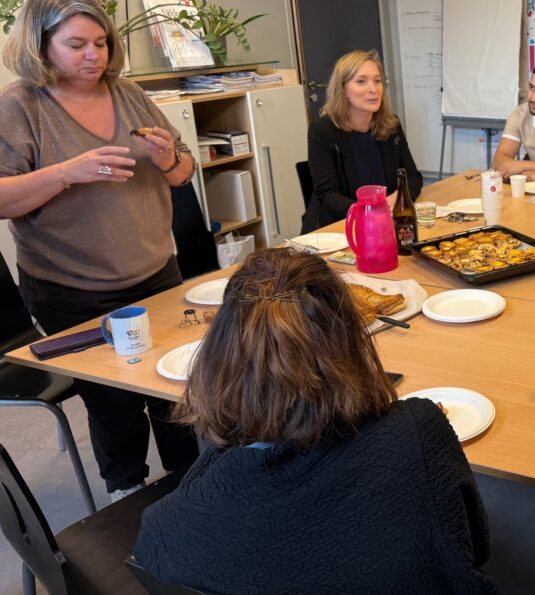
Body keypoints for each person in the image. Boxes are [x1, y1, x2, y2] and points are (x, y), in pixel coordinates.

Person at [134, 248, 500, 594]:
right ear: (351, 345)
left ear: (218, 355)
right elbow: (475, 549)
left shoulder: (161, 534)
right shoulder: (418, 433)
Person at [0, 0, 199, 500]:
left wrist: (168, 160)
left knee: (175, 387)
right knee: (113, 403)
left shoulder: (128, 92)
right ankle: (126, 494)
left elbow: (182, 172)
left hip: (155, 272)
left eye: (102, 42)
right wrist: (68, 172)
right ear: (40, 46)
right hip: (73, 287)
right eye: (76, 44)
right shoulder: (21, 106)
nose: (94, 55)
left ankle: (190, 485)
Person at [301, 49, 422, 232]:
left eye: (377, 80)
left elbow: (412, 177)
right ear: (343, 90)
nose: (373, 89)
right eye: (361, 81)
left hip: (384, 225)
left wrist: (399, 197)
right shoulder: (322, 131)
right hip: (340, 227)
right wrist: (369, 212)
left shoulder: (391, 126)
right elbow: (328, 195)